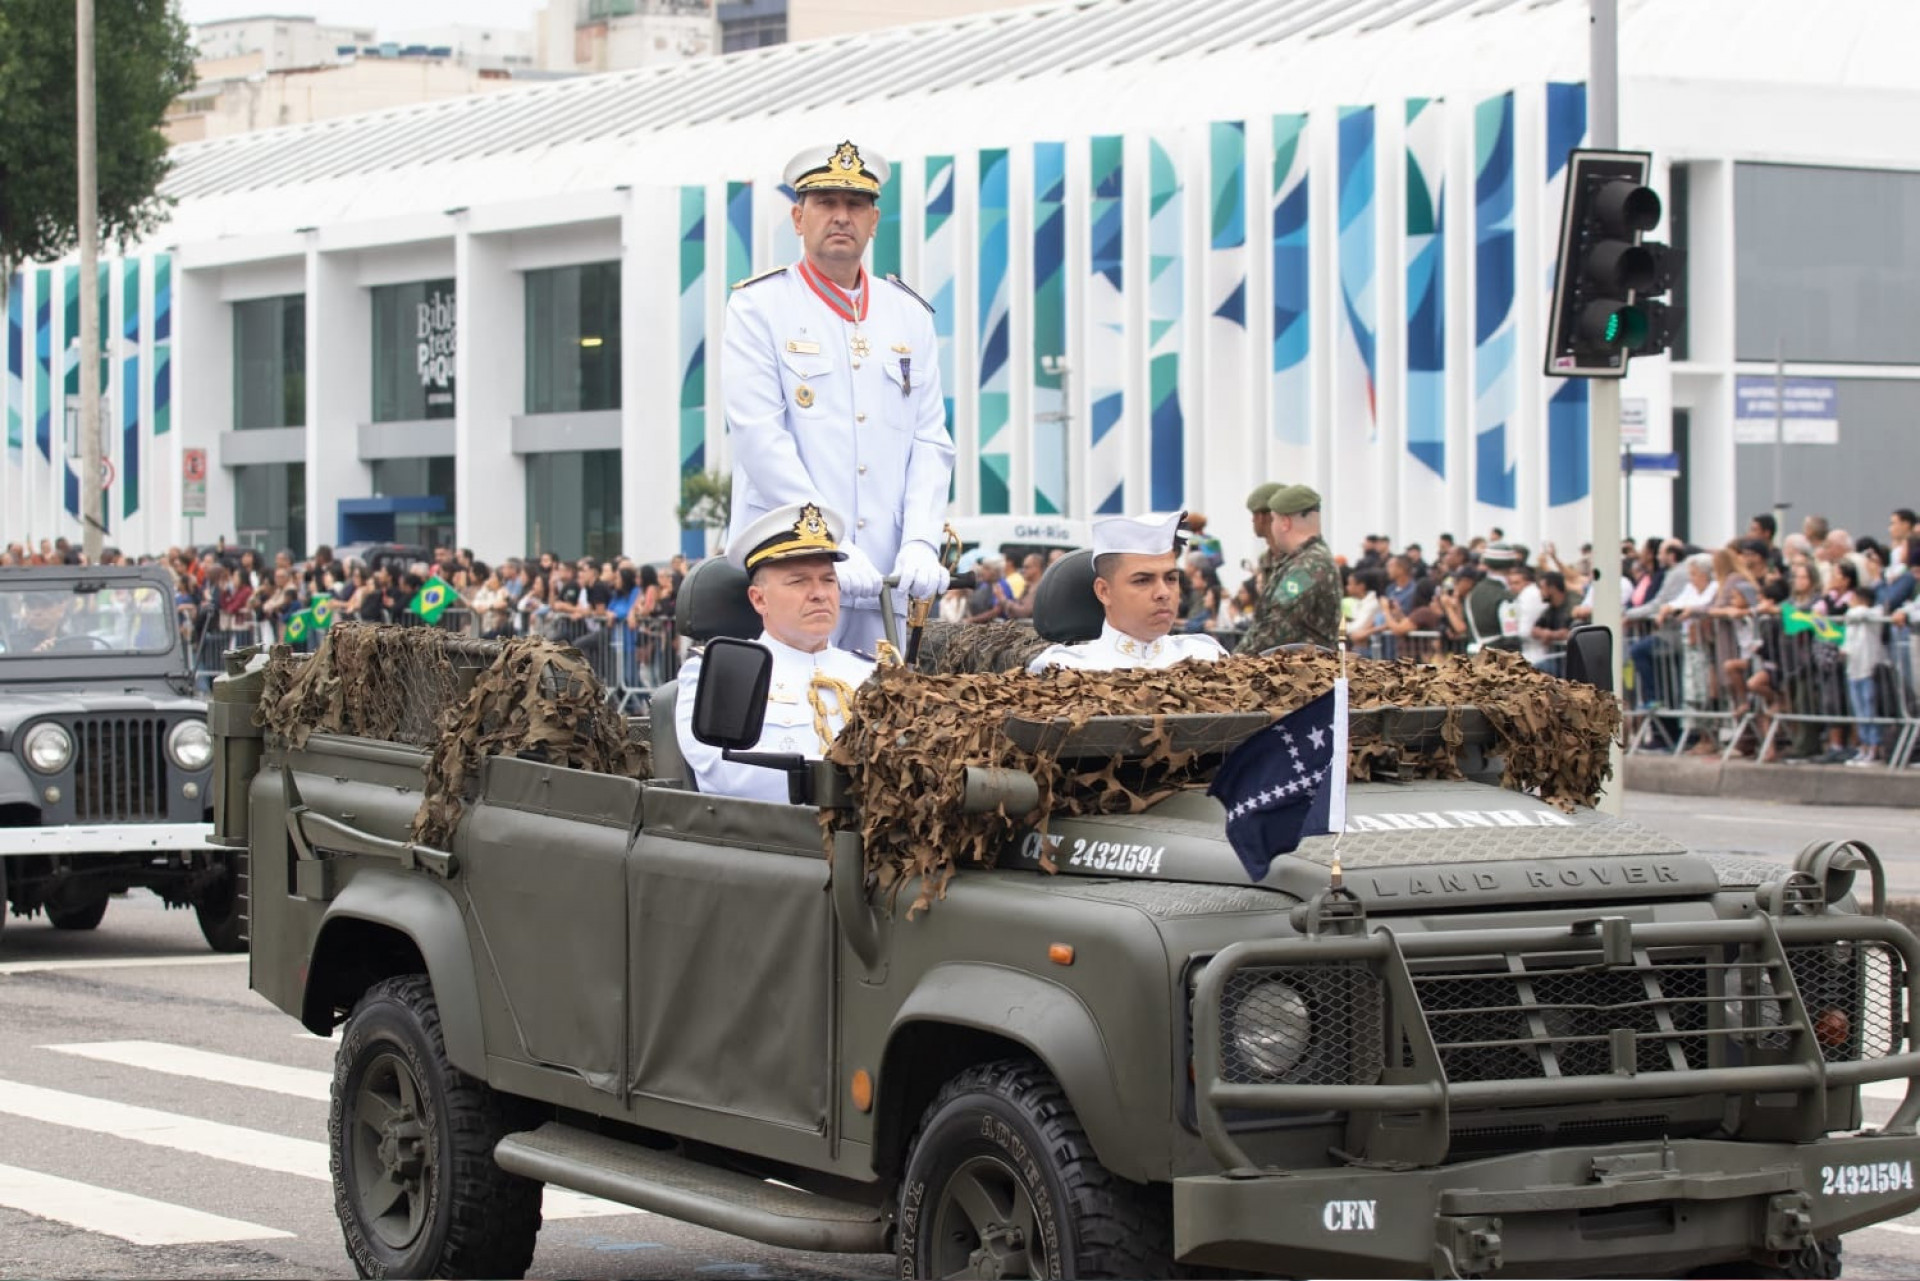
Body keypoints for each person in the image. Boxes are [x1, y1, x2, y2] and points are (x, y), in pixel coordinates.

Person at [721, 140, 956, 654]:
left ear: (874, 221)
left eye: (854, 206)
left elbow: (930, 441)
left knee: (883, 714)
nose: (841, 217)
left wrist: (920, 541)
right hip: (793, 566)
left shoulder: (909, 314)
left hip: (886, 572)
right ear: (798, 217)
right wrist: (829, 543)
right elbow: (761, 437)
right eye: (826, 203)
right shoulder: (759, 305)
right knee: (786, 714)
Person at [675, 502, 876, 802]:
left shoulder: (872, 674)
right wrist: (848, 780)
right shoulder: (721, 672)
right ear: (759, 600)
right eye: (799, 581)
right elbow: (727, 772)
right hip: (773, 842)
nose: (819, 593)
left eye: (828, 580)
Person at [1028, 512, 1228, 672]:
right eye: (1142, 580)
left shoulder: (1208, 658)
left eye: (1171, 579)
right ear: (1104, 591)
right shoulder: (1065, 670)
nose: (1163, 593)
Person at [1235, 485, 1341, 654]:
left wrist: (1235, 662)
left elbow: (1276, 626)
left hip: (1303, 672)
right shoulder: (1303, 560)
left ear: (1285, 523)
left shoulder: (1308, 566)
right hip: (1297, 670)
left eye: (1274, 519)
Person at [3, 591, 74, 654]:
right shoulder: (9, 645)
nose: (37, 612)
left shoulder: (72, 645)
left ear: (61, 609)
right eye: (31, 606)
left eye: (45, 605)